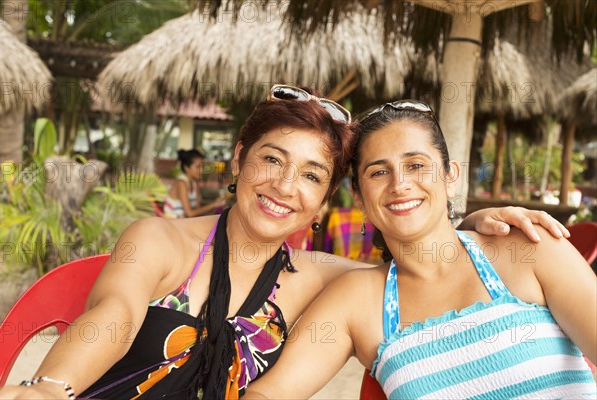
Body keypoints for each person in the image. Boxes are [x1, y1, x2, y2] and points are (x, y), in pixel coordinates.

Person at [0, 89, 570, 400]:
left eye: (311, 176)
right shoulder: (158, 238)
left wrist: (467, 224)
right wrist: (51, 388)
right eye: (272, 160)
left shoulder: (320, 277)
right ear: (240, 159)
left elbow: (422, 256)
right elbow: (115, 315)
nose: (284, 187)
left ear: (323, 202)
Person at [243, 100, 596, 399]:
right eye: (379, 172)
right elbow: (267, 393)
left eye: (416, 165)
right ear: (361, 197)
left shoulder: (529, 247)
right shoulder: (358, 301)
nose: (400, 184)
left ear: (450, 176)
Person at [163, 149, 226, 218]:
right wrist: (213, 205)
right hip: (172, 223)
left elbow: (197, 211)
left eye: (202, 166)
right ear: (187, 168)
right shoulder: (181, 183)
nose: (201, 170)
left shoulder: (195, 183)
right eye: (197, 167)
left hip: (184, 221)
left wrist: (215, 205)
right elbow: (190, 213)